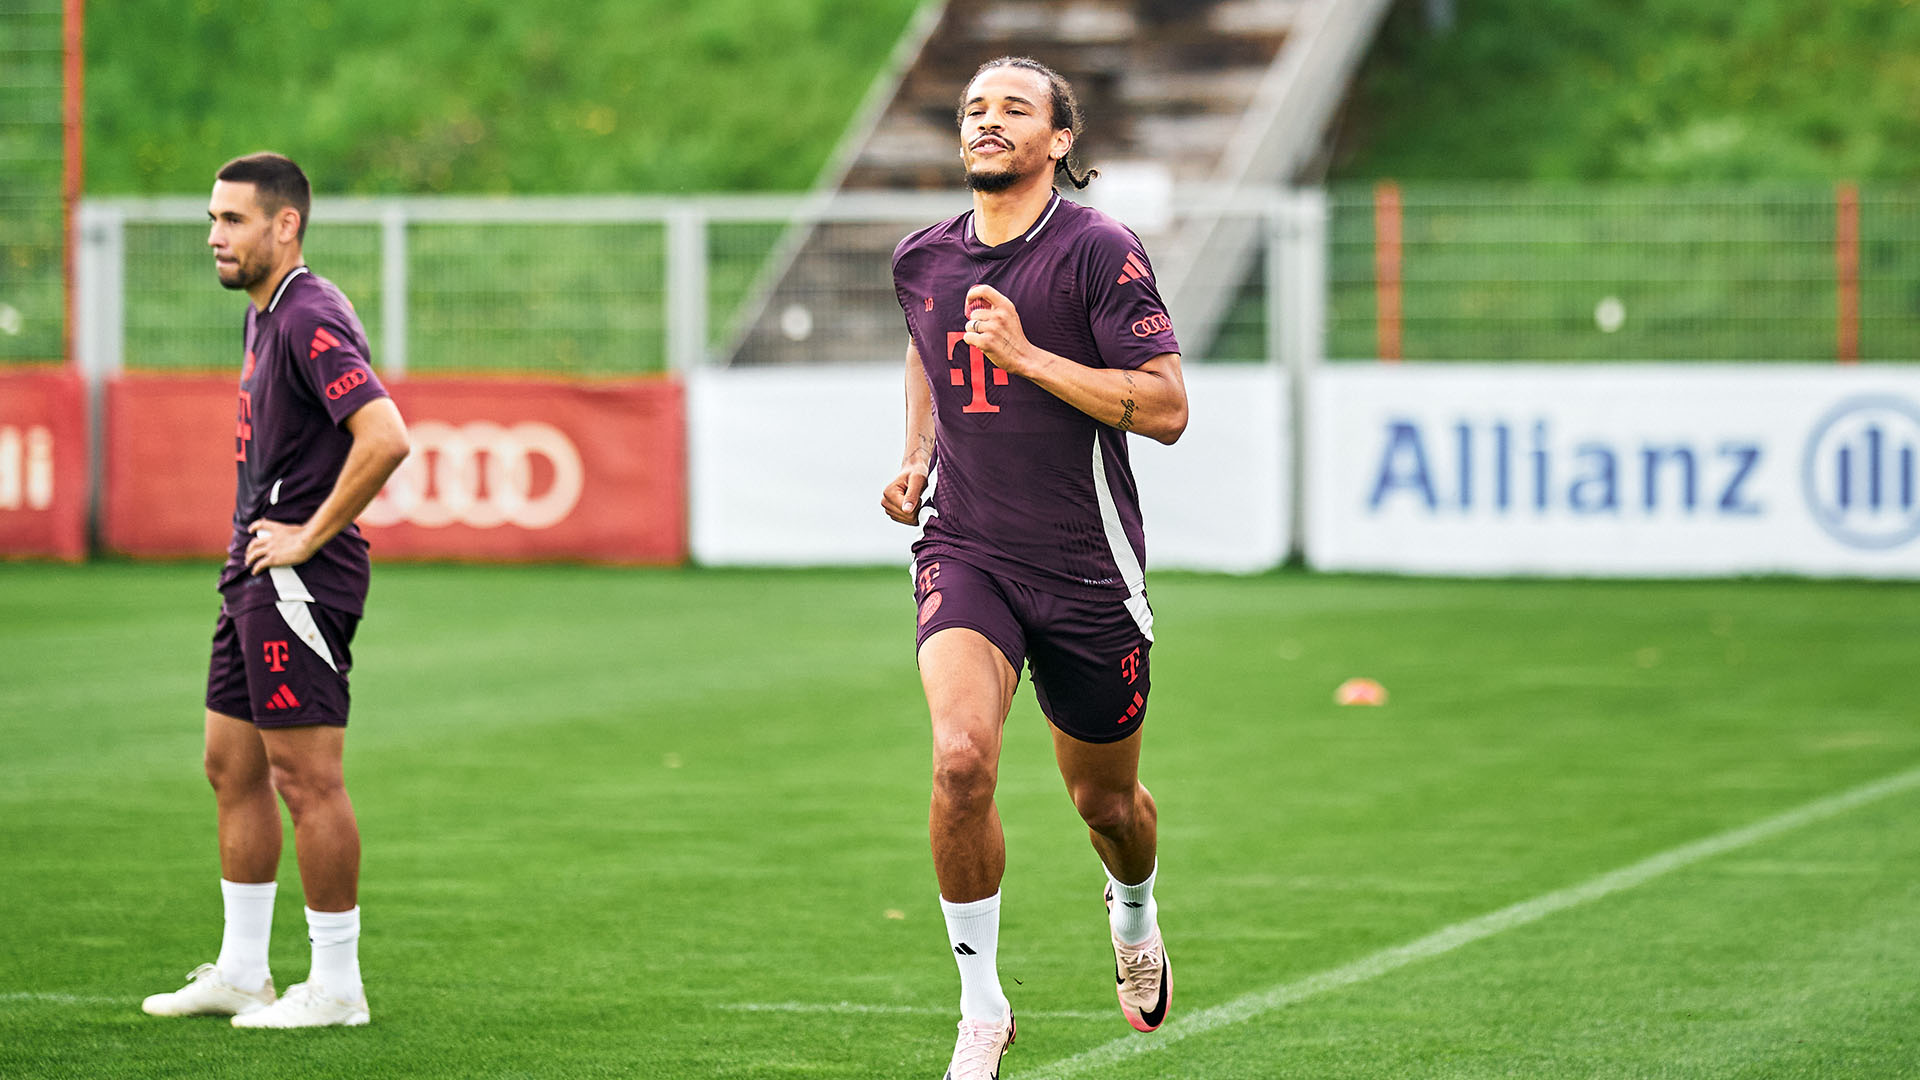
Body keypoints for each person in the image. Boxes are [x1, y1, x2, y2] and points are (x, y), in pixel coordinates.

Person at [882, 57, 1189, 1079]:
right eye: (974, 107)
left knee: (1107, 807)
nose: (986, 121)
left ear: (1059, 140)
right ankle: (981, 1007)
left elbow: (1168, 409)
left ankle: (1134, 909)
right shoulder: (922, 258)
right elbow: (929, 348)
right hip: (967, 549)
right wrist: (918, 458)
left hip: (1087, 568)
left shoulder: (1098, 250)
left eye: (1015, 108)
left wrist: (1030, 359)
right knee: (960, 758)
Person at [141, 153, 409, 1029]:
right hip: (252, 572)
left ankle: (336, 987)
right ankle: (243, 971)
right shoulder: (266, 316)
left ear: (284, 224)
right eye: (213, 219)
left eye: (233, 220)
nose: (215, 236)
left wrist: (307, 534)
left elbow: (385, 435)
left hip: (298, 577)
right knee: (232, 767)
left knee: (307, 780)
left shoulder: (309, 315)